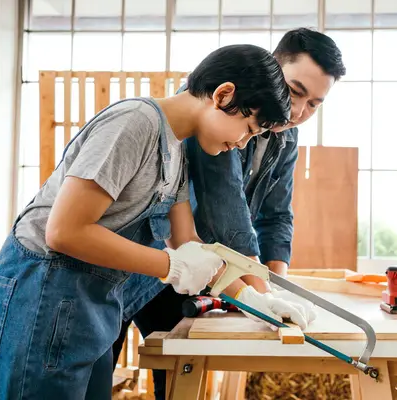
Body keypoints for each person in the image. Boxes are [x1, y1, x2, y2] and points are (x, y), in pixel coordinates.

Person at [0, 44, 294, 399]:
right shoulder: (134, 123)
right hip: (41, 296)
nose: (242, 144)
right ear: (223, 95)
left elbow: (186, 243)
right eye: (249, 128)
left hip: (92, 310)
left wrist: (252, 298)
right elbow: (64, 231)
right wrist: (171, 266)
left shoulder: (176, 148)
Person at [113, 28, 346, 399]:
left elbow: (275, 215)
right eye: (295, 91)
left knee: (176, 378)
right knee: (94, 365)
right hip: (138, 259)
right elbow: (226, 207)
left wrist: (275, 289)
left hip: (190, 262)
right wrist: (259, 294)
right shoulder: (200, 117)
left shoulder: (283, 136)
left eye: (314, 104)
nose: (298, 112)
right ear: (271, 70)